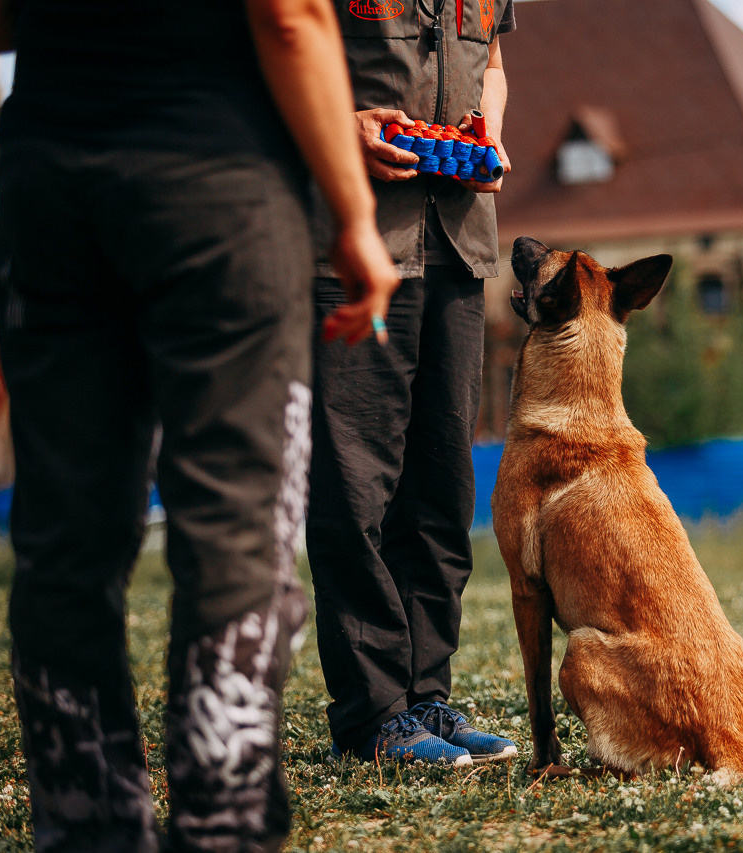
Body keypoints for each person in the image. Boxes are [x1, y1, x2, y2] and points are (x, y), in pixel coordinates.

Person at [0, 0, 399, 848]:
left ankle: (86, 826)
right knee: (235, 521)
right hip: (219, 190)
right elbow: (289, 15)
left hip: (48, 191)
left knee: (66, 535)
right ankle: (223, 825)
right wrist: (353, 216)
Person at [306, 0, 519, 766]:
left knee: (440, 489)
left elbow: (491, 67)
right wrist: (343, 124)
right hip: (352, 248)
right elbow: (271, 52)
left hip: (458, 248)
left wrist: (487, 133)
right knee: (356, 491)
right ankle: (372, 715)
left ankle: (427, 695)